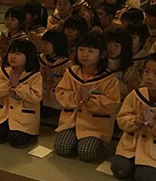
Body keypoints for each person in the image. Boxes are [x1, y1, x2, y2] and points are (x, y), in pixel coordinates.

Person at [111, 52, 156, 181]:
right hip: (131, 145)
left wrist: (153, 124)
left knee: (146, 179)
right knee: (118, 169)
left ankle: (151, 169)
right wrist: (137, 121)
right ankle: (137, 167)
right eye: (147, 71)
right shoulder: (136, 95)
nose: (149, 77)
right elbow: (122, 119)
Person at [54, 33, 121, 161]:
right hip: (71, 122)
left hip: (94, 126)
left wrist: (90, 100)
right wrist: (75, 96)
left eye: (90, 51)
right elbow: (61, 93)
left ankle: (92, 143)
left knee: (86, 152)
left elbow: (112, 103)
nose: (84, 54)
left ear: (102, 54)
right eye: (81, 50)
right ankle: (74, 140)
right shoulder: (71, 72)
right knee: (62, 147)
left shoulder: (109, 78)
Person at [0, 39, 42, 147]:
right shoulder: (3, 71)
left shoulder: (35, 75)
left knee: (16, 140)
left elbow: (36, 97)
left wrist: (18, 86)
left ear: (28, 56)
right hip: (3, 113)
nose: (13, 56)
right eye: (11, 53)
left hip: (24, 117)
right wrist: (8, 85)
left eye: (18, 54)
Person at [39, 30, 71, 113]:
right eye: (42, 42)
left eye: (46, 43)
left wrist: (52, 76)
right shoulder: (40, 59)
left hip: (56, 103)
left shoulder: (66, 64)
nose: (42, 46)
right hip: (39, 98)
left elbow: (66, 84)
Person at [106, 30, 141, 100]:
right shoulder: (97, 63)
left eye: (116, 46)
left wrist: (111, 79)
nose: (111, 48)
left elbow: (131, 91)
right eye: (108, 44)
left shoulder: (131, 68)